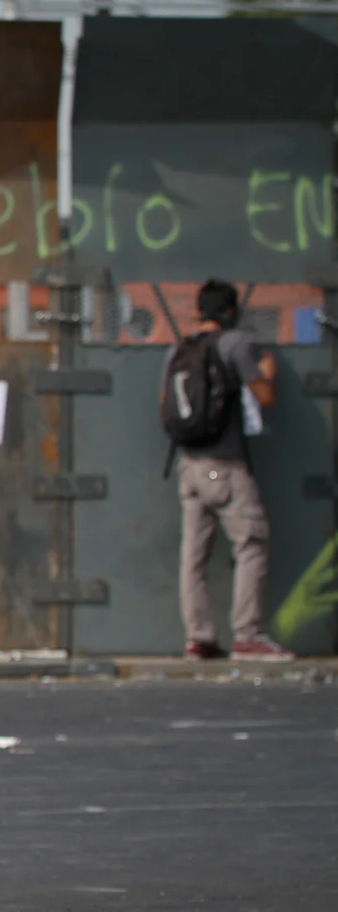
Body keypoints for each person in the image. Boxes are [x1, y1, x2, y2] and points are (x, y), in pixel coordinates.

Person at [168, 280, 293, 663]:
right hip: (225, 465)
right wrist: (266, 373)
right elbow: (265, 396)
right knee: (252, 544)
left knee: (193, 557)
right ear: (229, 311)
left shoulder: (179, 349)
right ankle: (247, 635)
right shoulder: (235, 344)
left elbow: (164, 403)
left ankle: (198, 638)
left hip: (188, 465)